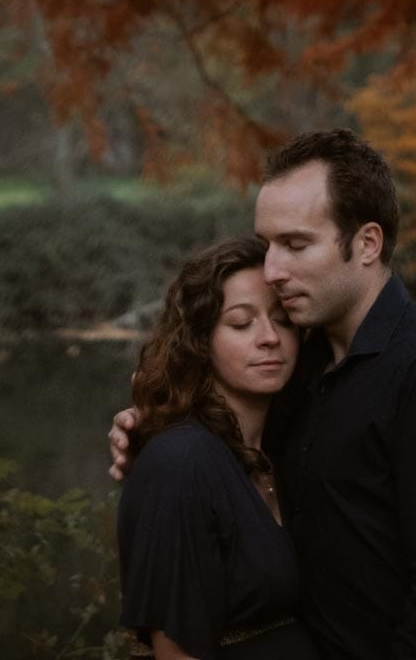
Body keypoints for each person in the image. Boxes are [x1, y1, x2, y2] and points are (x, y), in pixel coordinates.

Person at [112, 130, 416, 660]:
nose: (272, 270)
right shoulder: (299, 370)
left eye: (295, 245)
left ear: (366, 244)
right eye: (268, 246)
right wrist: (145, 430)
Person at [116, 234, 323, 660]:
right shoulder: (181, 463)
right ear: (200, 340)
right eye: (241, 323)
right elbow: (176, 652)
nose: (269, 337)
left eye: (283, 320)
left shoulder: (283, 451)